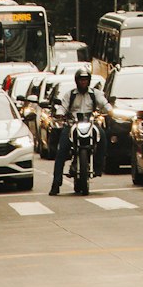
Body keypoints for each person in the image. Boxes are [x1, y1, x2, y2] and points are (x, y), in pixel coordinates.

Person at [49, 66, 108, 196]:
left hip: (90, 123)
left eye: (86, 80)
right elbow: (63, 107)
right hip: (72, 124)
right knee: (61, 150)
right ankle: (56, 184)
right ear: (77, 81)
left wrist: (109, 110)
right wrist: (59, 114)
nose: (83, 82)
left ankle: (98, 167)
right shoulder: (69, 94)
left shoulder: (95, 94)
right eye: (81, 80)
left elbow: (104, 103)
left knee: (103, 137)